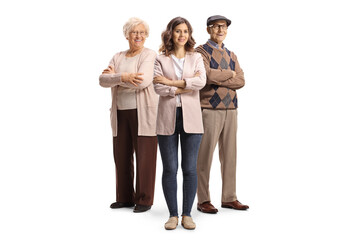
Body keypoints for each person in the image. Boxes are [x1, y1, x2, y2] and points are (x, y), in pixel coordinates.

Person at [99, 17, 158, 213]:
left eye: (142, 32)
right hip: (120, 113)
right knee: (121, 155)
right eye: (134, 32)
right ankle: (124, 197)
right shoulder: (117, 57)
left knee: (145, 157)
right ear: (127, 35)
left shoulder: (149, 55)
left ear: (146, 35)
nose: (138, 36)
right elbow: (102, 80)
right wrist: (124, 77)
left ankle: (144, 200)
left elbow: (143, 82)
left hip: (144, 114)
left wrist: (115, 79)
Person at [153, 17, 206, 230]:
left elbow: (201, 82)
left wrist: (171, 83)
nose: (182, 35)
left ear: (189, 34)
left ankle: (187, 214)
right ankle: (173, 215)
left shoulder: (196, 58)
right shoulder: (160, 59)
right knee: (170, 168)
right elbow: (158, 88)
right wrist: (186, 85)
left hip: (191, 118)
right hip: (167, 117)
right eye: (177, 31)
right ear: (171, 34)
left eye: (185, 31)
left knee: (190, 169)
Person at [195, 15, 249, 214]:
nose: (220, 30)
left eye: (224, 27)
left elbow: (241, 81)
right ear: (208, 29)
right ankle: (203, 199)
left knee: (230, 156)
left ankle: (229, 198)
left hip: (231, 109)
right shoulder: (201, 52)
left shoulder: (231, 54)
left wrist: (221, 77)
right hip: (209, 108)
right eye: (216, 26)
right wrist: (229, 74)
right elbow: (207, 76)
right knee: (204, 156)